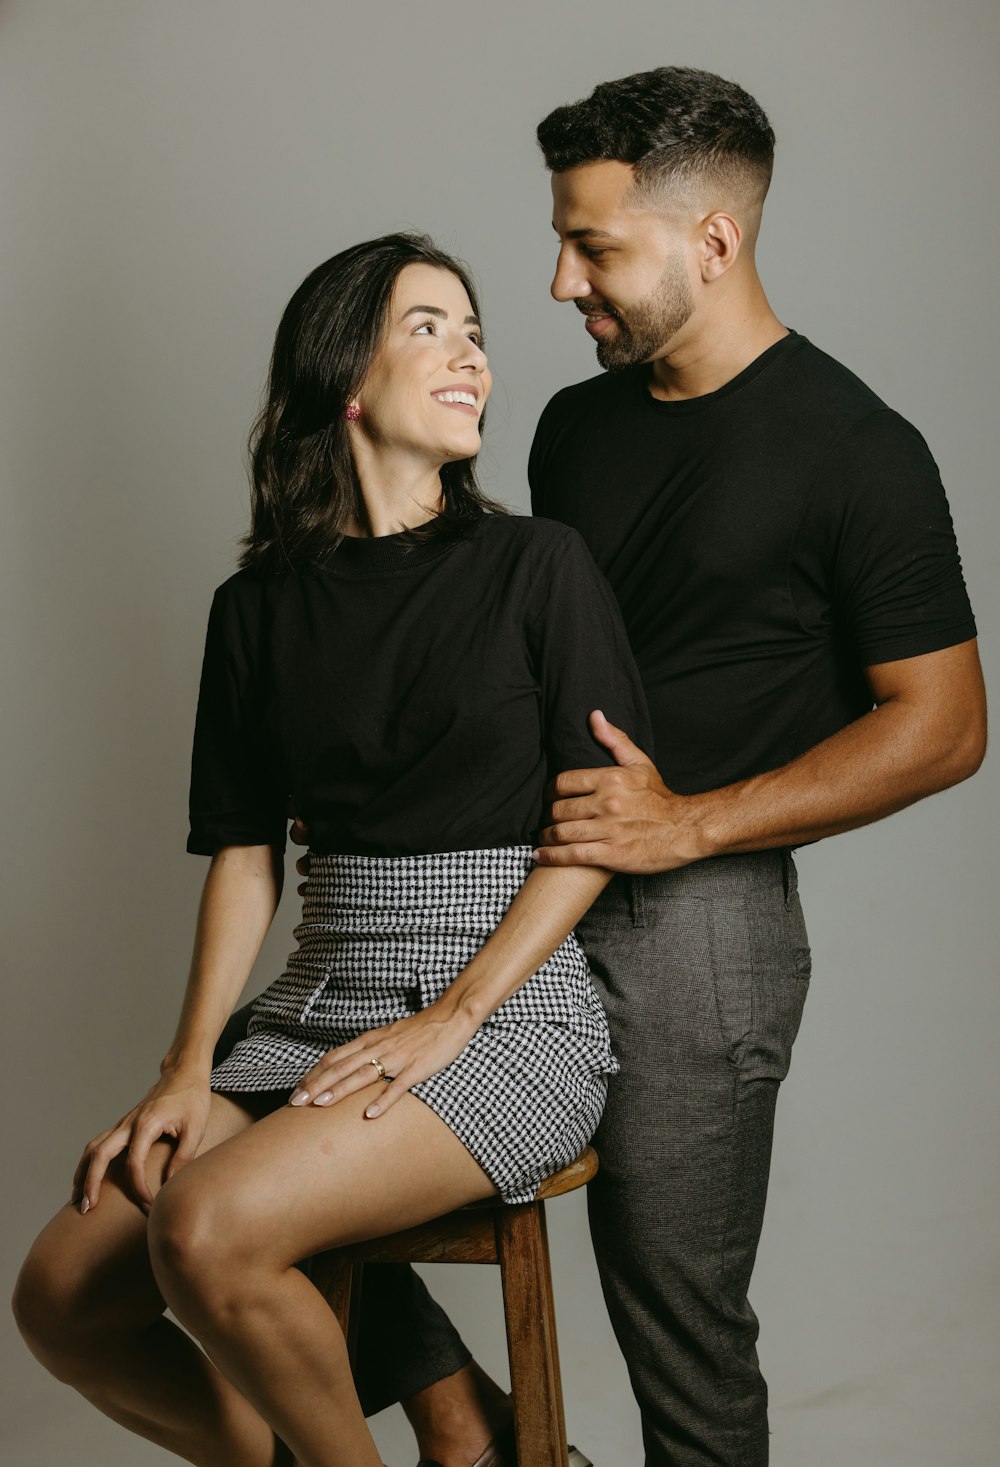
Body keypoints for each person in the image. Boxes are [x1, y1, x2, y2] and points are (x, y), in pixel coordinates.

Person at [285, 67, 987, 1467]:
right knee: (278, 1185)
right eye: (562, 238)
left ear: (712, 242)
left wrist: (690, 822)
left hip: (699, 929)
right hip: (515, 884)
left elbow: (946, 722)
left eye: (594, 245)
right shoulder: (575, 427)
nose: (557, 280)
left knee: (679, 1321)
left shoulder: (863, 451)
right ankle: (467, 1424)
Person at [12, 233, 653, 1467]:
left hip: (508, 1012)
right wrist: (187, 1067)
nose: (468, 349)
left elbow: (596, 831)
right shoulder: (254, 609)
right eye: (428, 326)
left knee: (205, 1228)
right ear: (343, 376)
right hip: (316, 1000)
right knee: (62, 1294)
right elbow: (246, 855)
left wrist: (455, 1014)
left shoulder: (538, 564)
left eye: (473, 329)